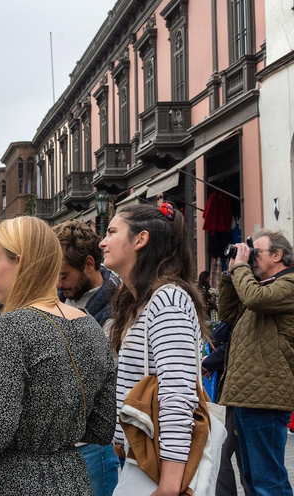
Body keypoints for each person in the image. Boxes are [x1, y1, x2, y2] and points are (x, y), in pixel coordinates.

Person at [0, 216, 116, 495]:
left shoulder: (15, 326)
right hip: (73, 478)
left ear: (20, 262)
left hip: (16, 480)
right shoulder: (89, 323)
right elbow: (102, 427)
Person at [100, 203, 208, 494]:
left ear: (140, 239)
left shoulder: (168, 300)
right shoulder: (141, 301)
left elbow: (177, 394)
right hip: (140, 457)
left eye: (111, 232)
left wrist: (170, 486)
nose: (102, 241)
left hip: (156, 467)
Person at [219, 229, 294, 496]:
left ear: (278, 255)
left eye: (256, 252)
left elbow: (253, 300)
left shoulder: (289, 285)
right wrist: (231, 274)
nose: (251, 257)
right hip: (248, 395)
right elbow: (227, 313)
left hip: (267, 396)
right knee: (252, 480)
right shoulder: (259, 285)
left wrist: (241, 268)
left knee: (268, 480)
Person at [53, 219, 120, 496]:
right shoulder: (58, 298)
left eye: (64, 275)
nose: (59, 283)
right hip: (63, 440)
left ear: (89, 265)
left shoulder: (115, 308)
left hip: (93, 444)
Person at [201, 320, 249, 496]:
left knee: (221, 454)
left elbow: (232, 346)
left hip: (237, 395)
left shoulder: (245, 308)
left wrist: (208, 361)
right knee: (240, 457)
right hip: (231, 394)